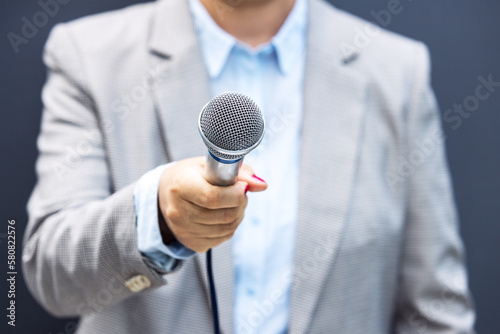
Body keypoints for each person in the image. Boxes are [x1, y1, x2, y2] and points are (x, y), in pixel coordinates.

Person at [22, 0, 476, 332]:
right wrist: (156, 217)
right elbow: (51, 273)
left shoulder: (398, 71)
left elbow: (436, 311)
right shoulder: (88, 54)